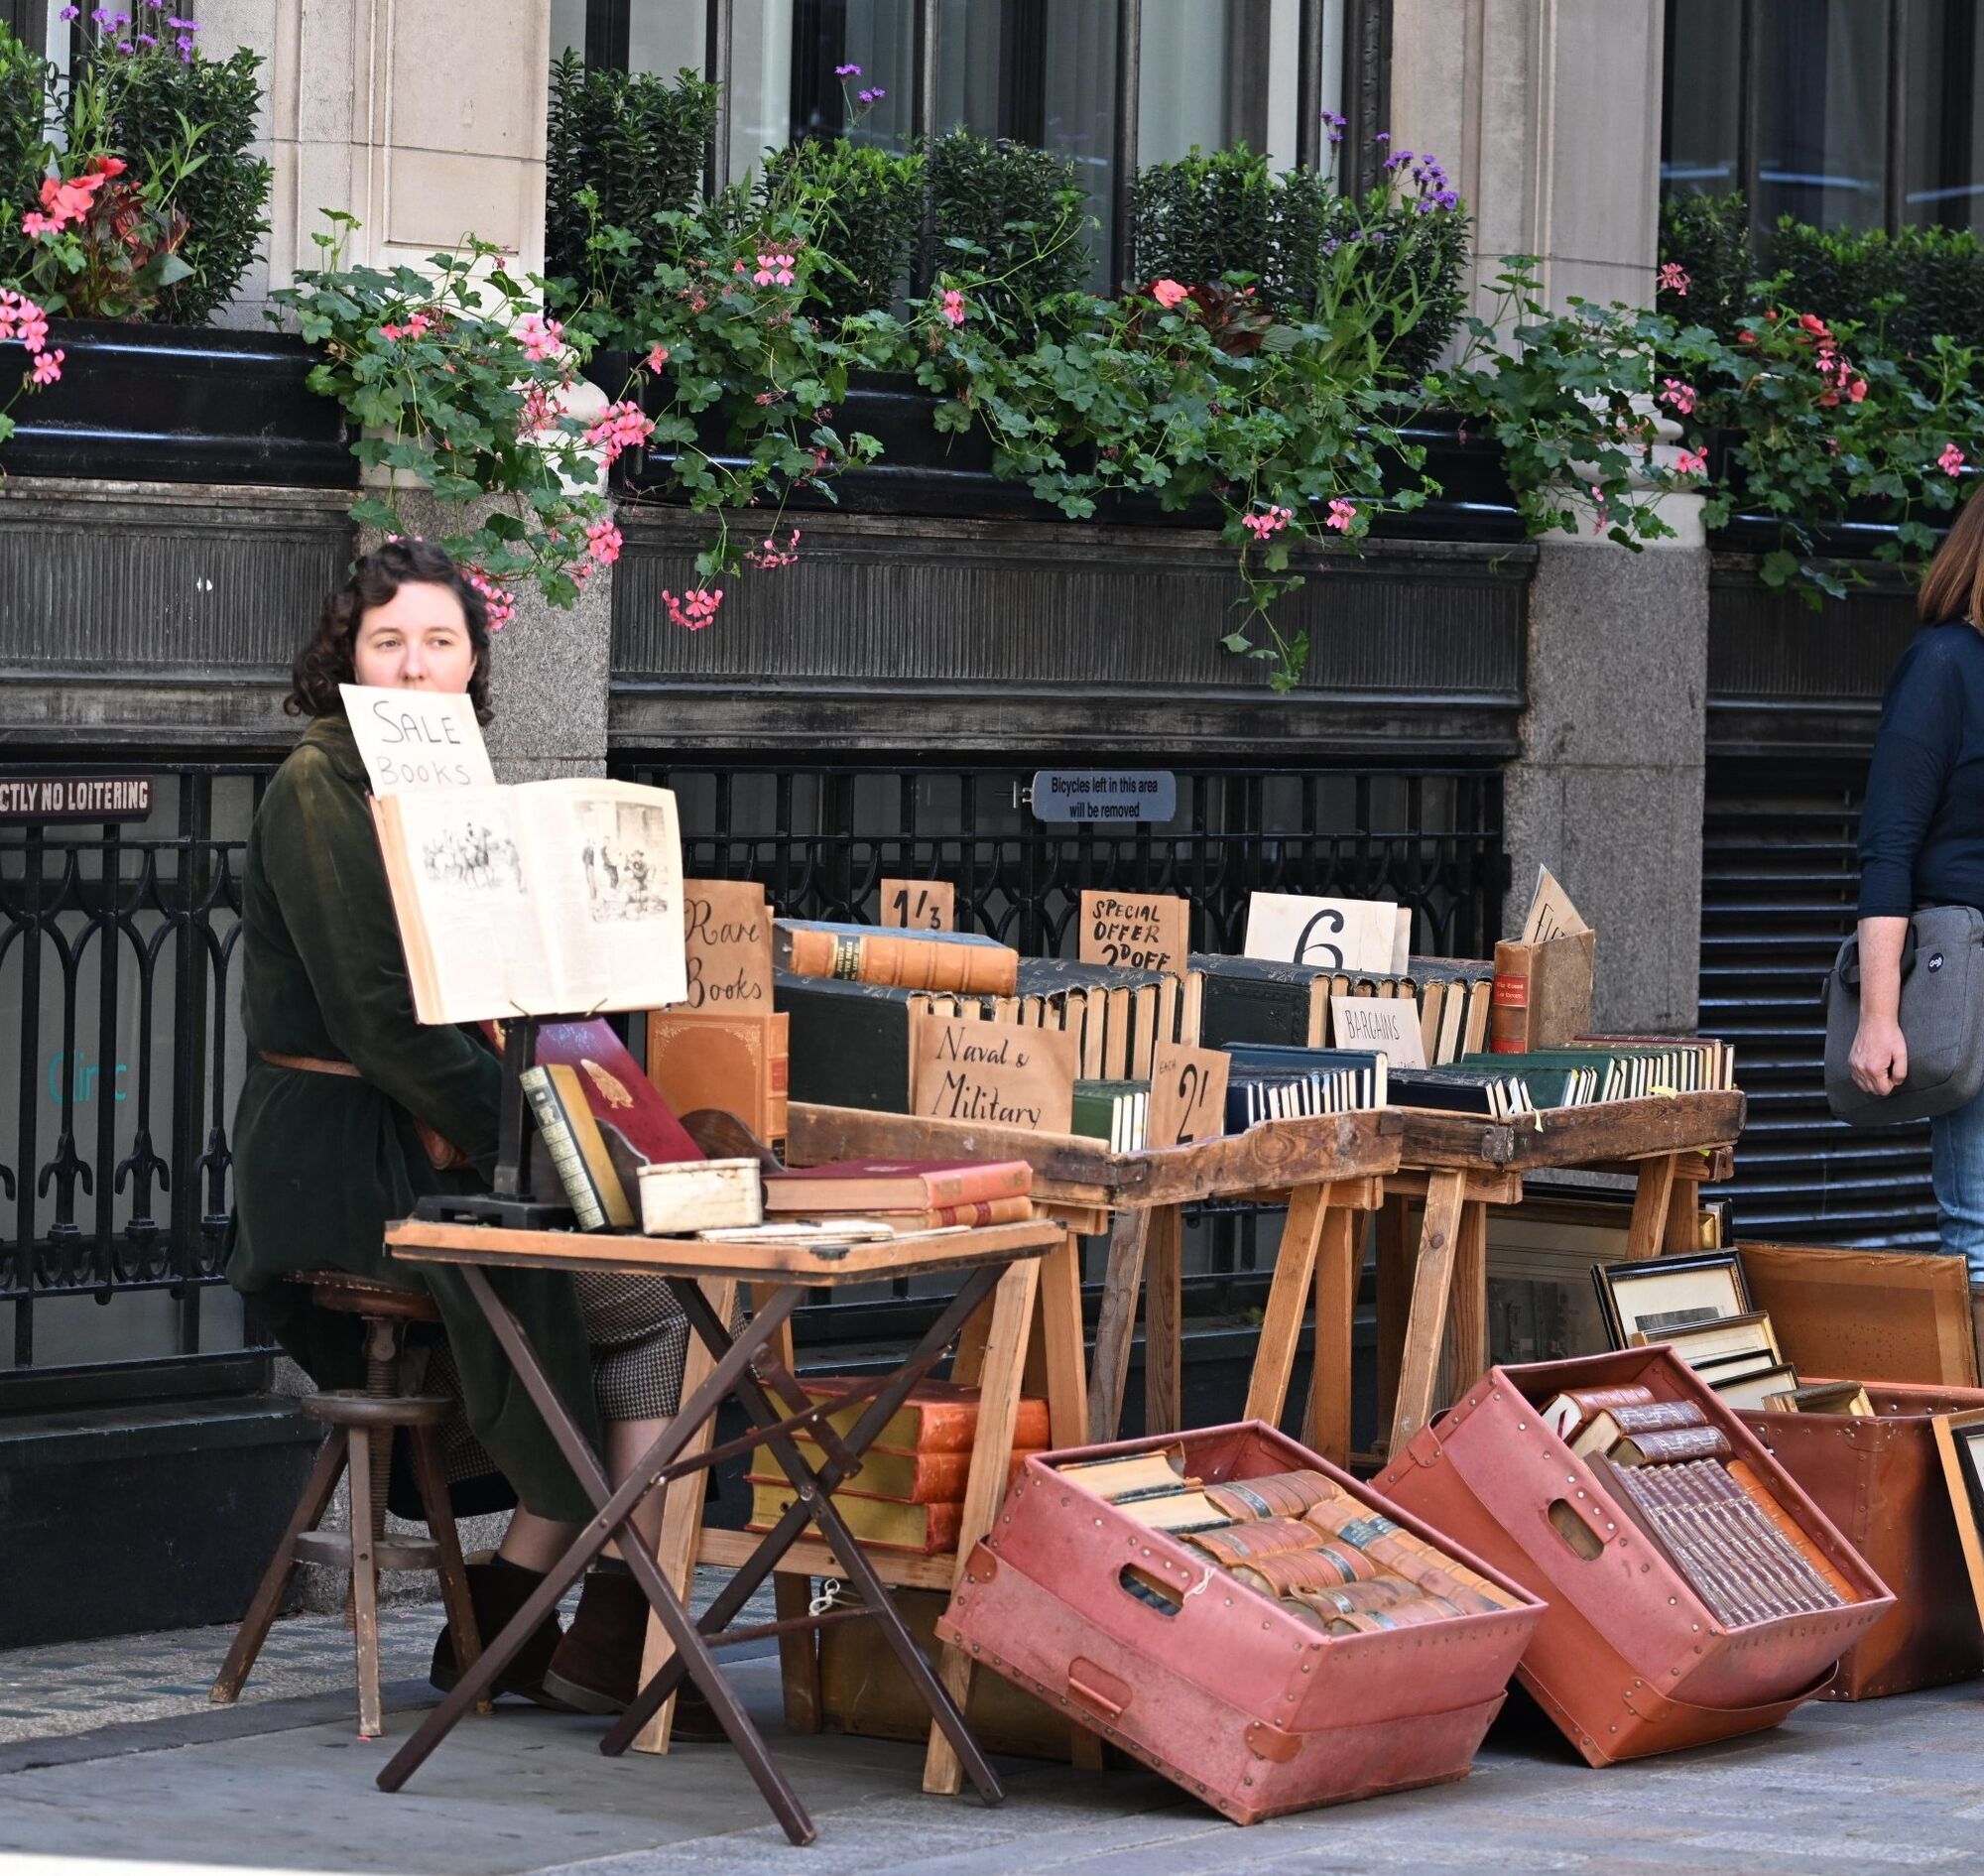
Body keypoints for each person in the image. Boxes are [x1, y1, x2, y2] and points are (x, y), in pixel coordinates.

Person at [225, 541, 707, 1722]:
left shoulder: (461, 786)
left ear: (473, 662)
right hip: (345, 1151)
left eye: (439, 642)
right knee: (647, 1301)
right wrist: (540, 1143)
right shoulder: (317, 786)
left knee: (665, 1290)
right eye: (387, 640)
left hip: (462, 1128)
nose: (413, 665)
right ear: (345, 655)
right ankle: (589, 1617)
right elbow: (378, 1019)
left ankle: (546, 1615)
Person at [1850, 480, 1984, 1355]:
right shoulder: (1943, 665)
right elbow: (1888, 847)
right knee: (1979, 1238)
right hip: (1970, 977)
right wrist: (1878, 1012)